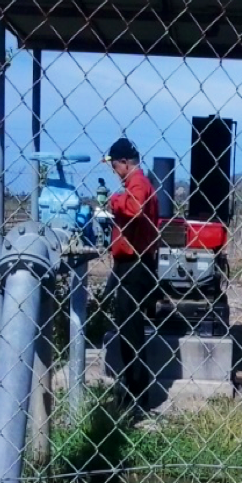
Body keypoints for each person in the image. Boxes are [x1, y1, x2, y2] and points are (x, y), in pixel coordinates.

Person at [104, 137, 159, 410]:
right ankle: (132, 389)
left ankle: (135, 394)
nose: (114, 171)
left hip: (134, 265)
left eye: (114, 165)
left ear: (125, 163)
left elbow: (135, 208)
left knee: (131, 332)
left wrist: (113, 203)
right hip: (131, 264)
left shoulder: (137, 183)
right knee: (127, 328)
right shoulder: (135, 183)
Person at [94, 177, 111, 248]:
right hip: (102, 209)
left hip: (101, 209)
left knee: (101, 227)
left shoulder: (100, 189)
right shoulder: (104, 189)